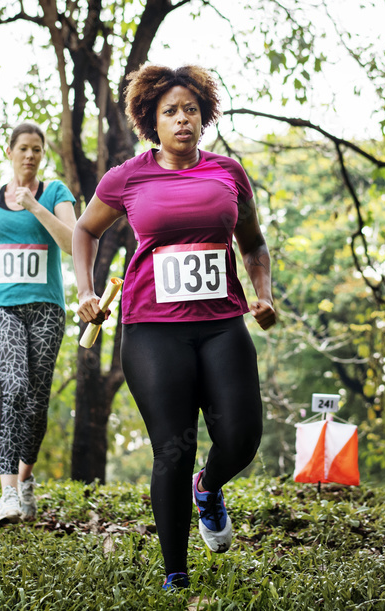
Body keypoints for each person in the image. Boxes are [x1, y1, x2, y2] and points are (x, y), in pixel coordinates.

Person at [73, 64, 277, 591]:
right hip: (152, 329)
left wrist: (263, 295)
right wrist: (86, 292)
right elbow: (84, 231)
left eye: (191, 109)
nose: (183, 119)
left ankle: (207, 488)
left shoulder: (229, 173)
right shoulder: (128, 177)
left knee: (241, 435)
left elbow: (252, 244)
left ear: (204, 115)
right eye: (171, 112)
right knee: (172, 447)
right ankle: (175, 573)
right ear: (152, 121)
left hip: (221, 323)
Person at [0, 122, 77, 527]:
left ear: (42, 154)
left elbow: (71, 242)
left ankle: (26, 479)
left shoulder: (56, 193)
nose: (29, 155)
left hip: (46, 307)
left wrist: (33, 205)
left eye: (37, 149)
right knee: (13, 387)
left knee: (36, 401)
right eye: (23, 148)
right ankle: (7, 492)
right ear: (10, 151)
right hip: (0, 306)